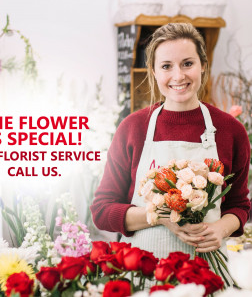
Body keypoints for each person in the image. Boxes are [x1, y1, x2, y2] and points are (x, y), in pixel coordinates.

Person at [90, 23, 251, 259]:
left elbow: (239, 205)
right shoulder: (133, 128)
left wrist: (221, 228)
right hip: (141, 270)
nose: (178, 76)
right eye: (166, 66)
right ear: (154, 72)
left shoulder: (230, 130)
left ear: (203, 66)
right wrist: (161, 216)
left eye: (188, 63)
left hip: (206, 271)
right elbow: (102, 210)